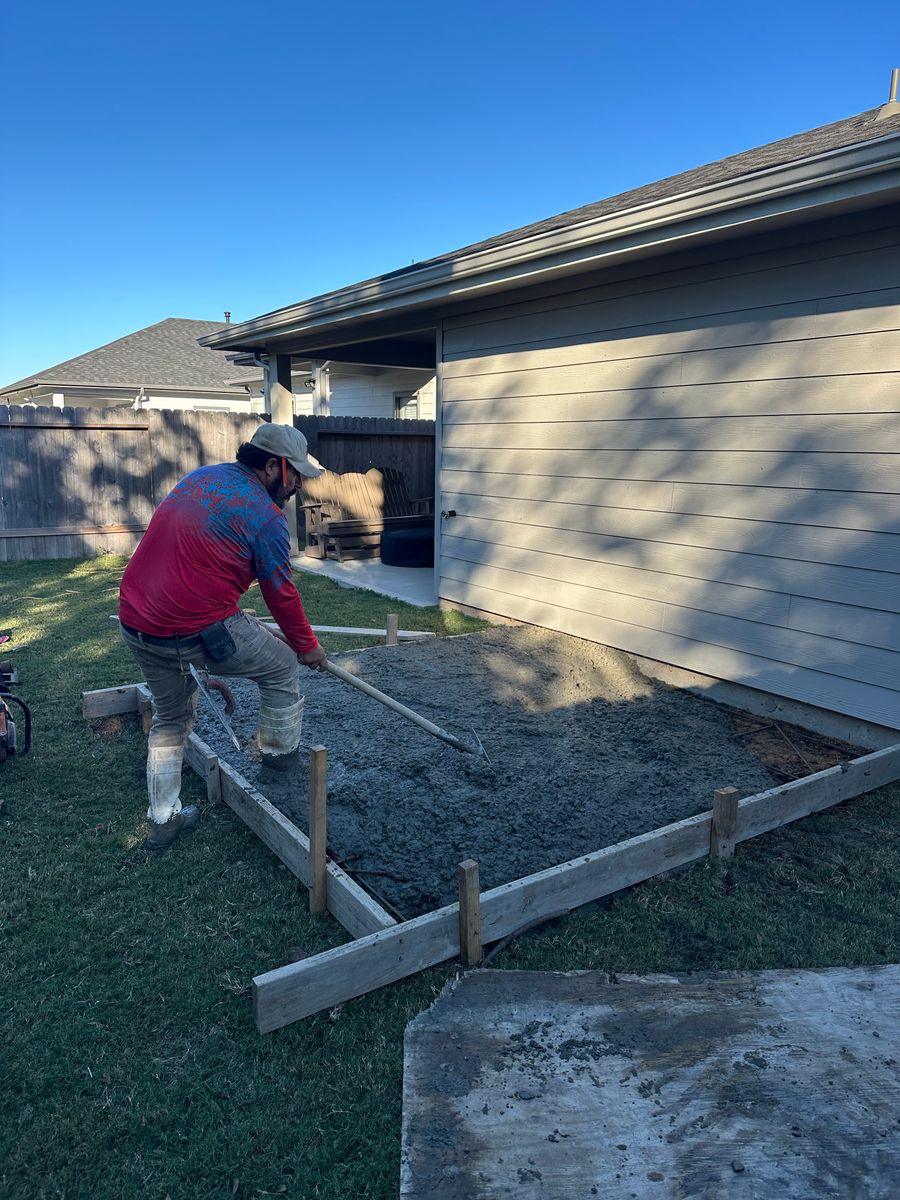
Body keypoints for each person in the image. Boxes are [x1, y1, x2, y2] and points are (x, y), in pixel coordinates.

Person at [118, 422, 328, 852]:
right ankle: (280, 765)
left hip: (137, 620)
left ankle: (164, 819)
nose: (297, 487)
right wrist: (307, 647)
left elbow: (189, 559)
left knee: (171, 719)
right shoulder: (267, 518)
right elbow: (281, 594)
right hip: (194, 627)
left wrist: (193, 670)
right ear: (274, 467)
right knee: (282, 664)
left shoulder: (203, 477)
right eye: (296, 476)